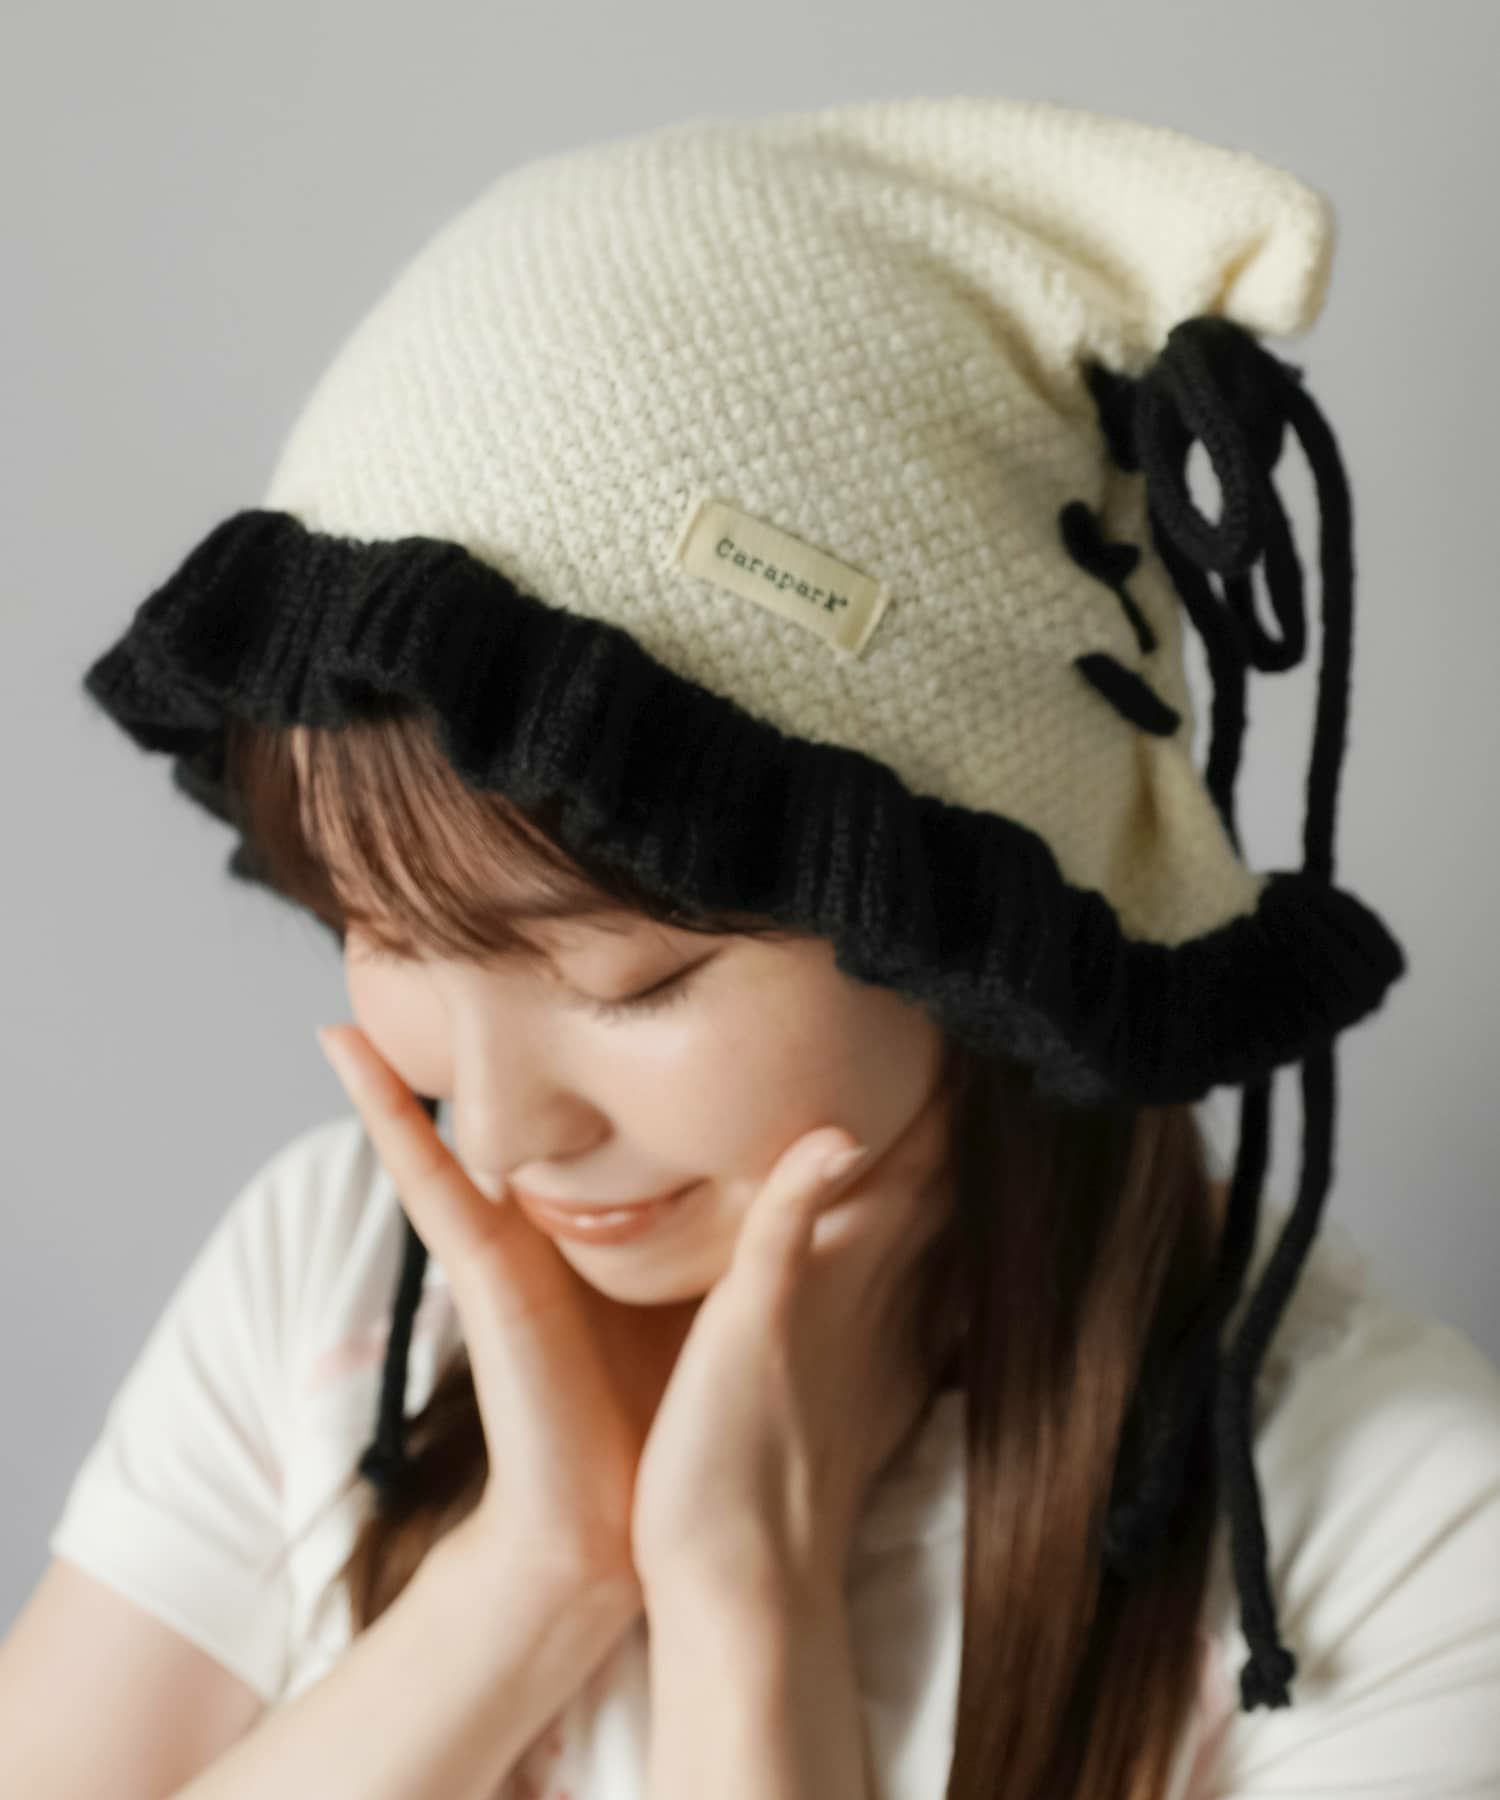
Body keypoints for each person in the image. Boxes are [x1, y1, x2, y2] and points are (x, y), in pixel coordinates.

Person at [4, 92, 1499, 1800]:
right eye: (384, 935)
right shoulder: (328, 1286)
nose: (494, 1138)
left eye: (631, 982)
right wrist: (520, 1587)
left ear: (950, 917)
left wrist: (748, 1604)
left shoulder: (1391, 1539)